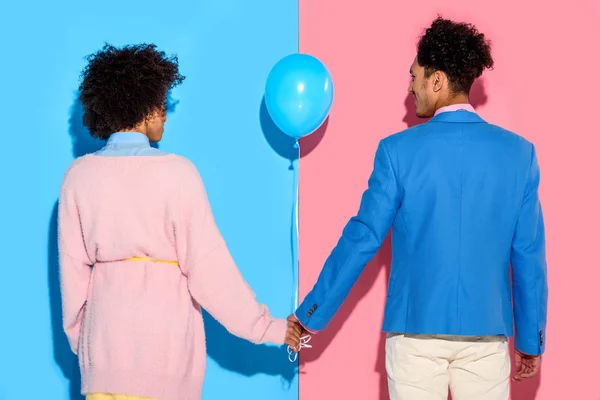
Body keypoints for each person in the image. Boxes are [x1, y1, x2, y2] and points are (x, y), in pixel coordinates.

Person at [290, 17, 548, 400]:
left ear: (437, 80)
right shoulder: (519, 154)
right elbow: (528, 255)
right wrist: (530, 339)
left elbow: (362, 239)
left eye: (415, 77)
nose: (410, 87)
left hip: (414, 339)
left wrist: (311, 312)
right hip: (486, 339)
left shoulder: (396, 151)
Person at [58, 43, 302, 400]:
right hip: (165, 361)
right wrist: (269, 327)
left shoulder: (78, 176)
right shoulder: (177, 174)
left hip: (102, 362)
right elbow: (211, 271)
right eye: (160, 105)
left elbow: (72, 278)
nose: (165, 115)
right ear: (142, 107)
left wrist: (90, 347)